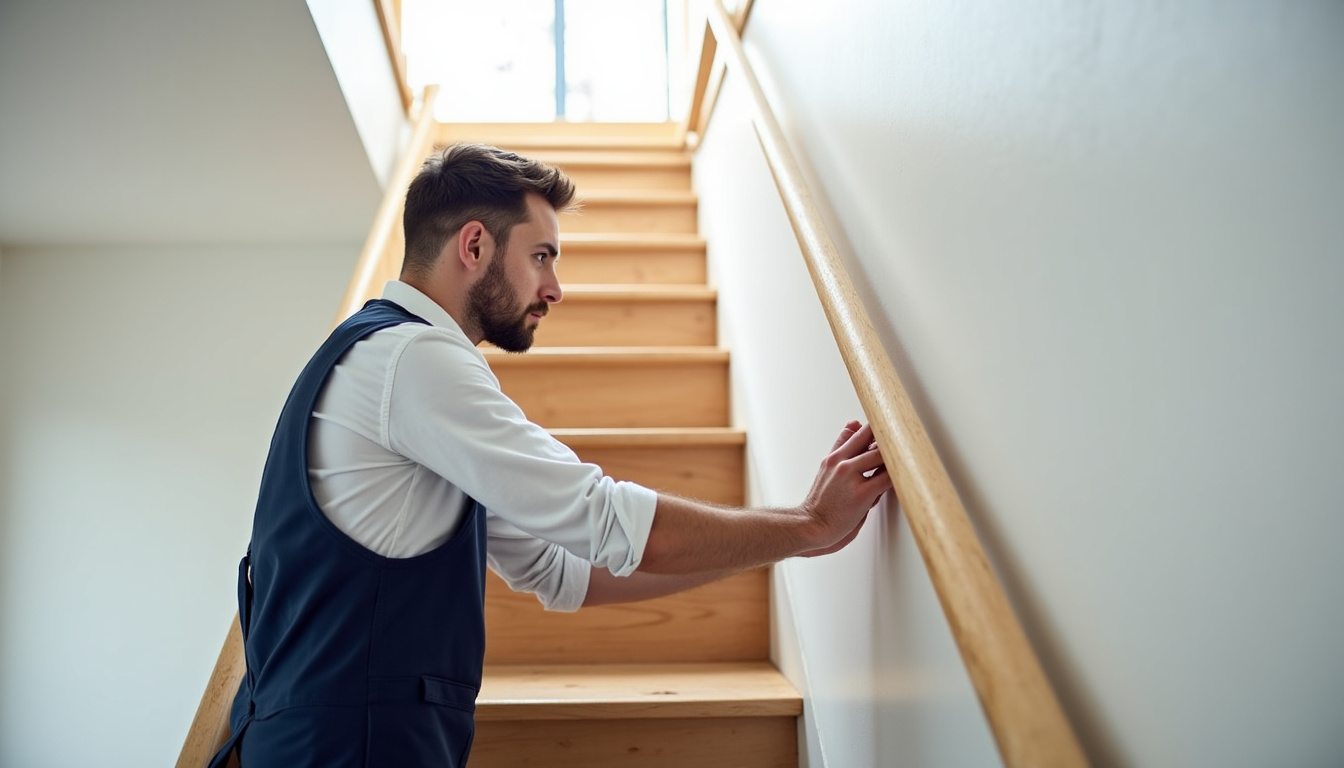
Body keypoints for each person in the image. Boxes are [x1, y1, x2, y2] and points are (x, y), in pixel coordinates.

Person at [210, 143, 891, 768]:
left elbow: (565, 573)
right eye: (542, 255)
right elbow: (608, 520)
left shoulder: (384, 361)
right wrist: (806, 526)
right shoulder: (415, 360)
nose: (556, 288)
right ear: (474, 245)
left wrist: (773, 546)